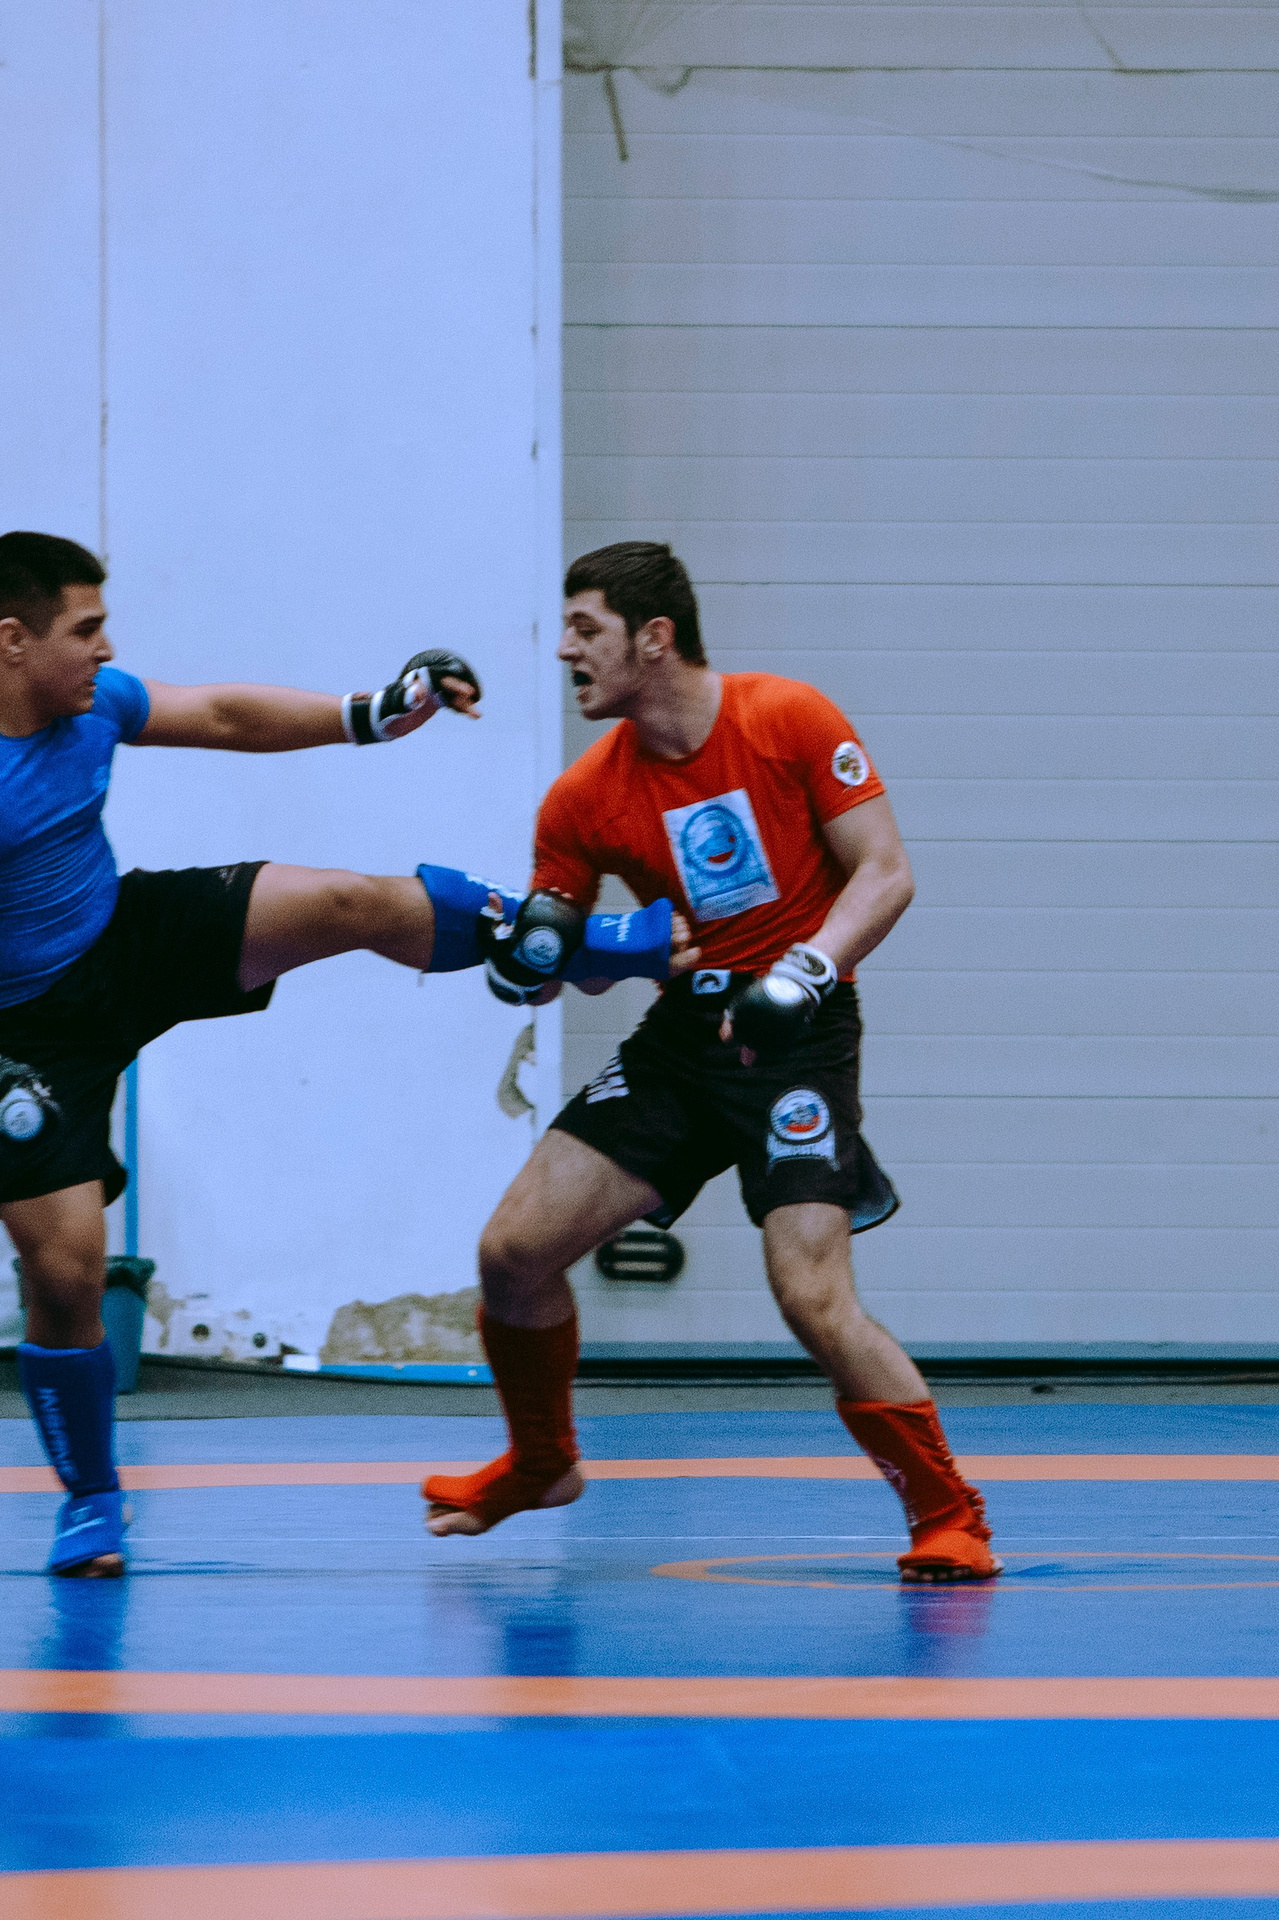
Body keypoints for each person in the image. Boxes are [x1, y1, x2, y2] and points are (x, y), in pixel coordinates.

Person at [0, 531, 660, 1580]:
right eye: (84, 630)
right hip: (21, 1032)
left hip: (121, 936)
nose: (104, 648)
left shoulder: (95, 703)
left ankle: (581, 948)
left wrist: (375, 714)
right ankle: (92, 1503)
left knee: (345, 901)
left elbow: (222, 715)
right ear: (12, 640)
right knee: (65, 1273)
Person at [421, 541, 1000, 1583]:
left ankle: (947, 1512)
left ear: (655, 637)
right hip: (680, 1045)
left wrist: (804, 973)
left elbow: (886, 872)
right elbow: (559, 969)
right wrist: (551, 961)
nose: (563, 651)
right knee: (512, 1251)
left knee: (810, 1298)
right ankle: (542, 1463)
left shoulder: (788, 719)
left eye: (585, 629)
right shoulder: (581, 798)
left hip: (796, 1039)